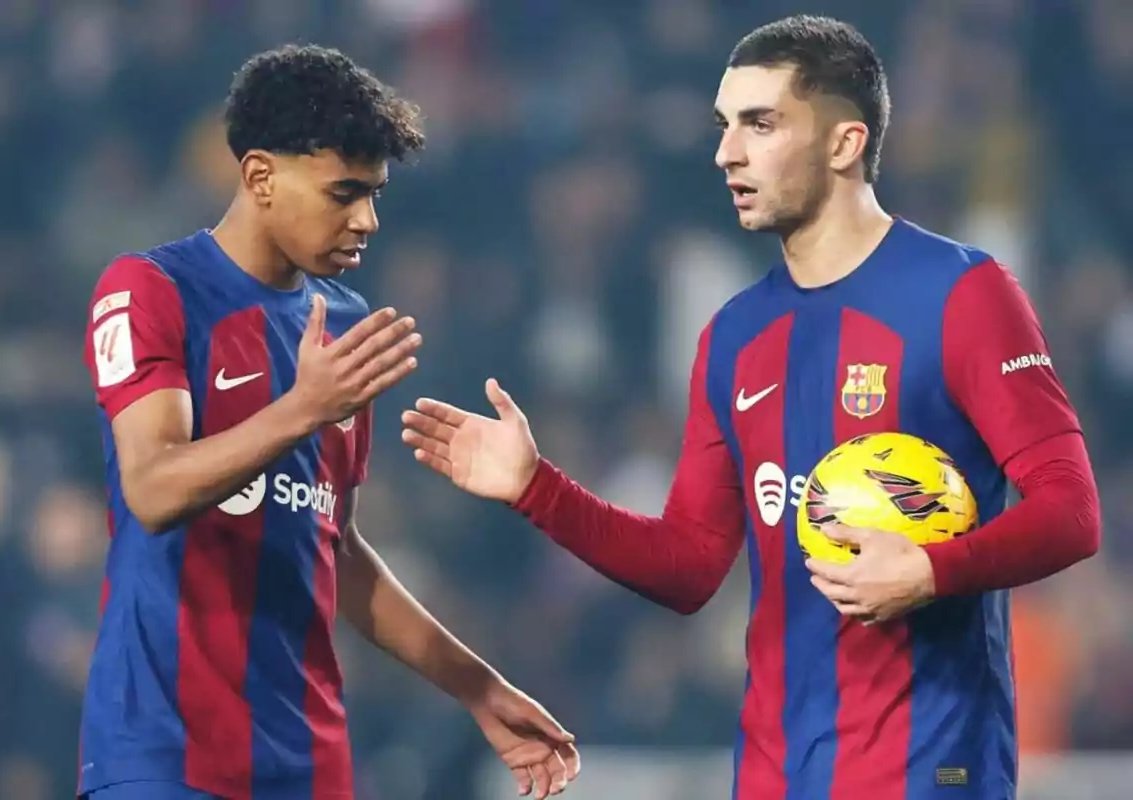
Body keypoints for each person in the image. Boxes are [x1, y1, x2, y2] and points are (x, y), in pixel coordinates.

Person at [400, 15, 1101, 800]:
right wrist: (538, 489)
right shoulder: (735, 335)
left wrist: (933, 569)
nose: (726, 152)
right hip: (772, 777)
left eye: (760, 124)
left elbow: (1072, 511)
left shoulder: (963, 295)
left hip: (929, 772)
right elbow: (691, 565)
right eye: (724, 125)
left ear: (843, 144)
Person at [79, 45, 579, 800]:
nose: (367, 219)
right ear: (259, 178)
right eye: (343, 192)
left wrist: (478, 688)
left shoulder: (343, 328)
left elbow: (333, 548)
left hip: (311, 764)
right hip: (164, 756)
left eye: (374, 194)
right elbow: (152, 487)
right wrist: (303, 409)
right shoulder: (151, 289)